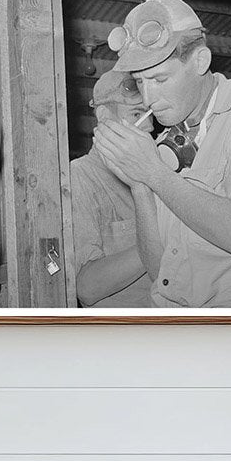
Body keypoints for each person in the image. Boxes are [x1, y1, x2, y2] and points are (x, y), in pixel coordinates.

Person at [93, 0, 231, 308]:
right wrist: (139, 183)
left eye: (160, 79)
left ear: (200, 61)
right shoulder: (168, 141)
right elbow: (161, 275)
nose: (148, 98)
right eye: (140, 82)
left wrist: (153, 172)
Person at [70, 70, 155, 307]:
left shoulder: (156, 173)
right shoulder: (80, 177)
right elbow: (86, 287)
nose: (149, 126)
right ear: (105, 116)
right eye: (137, 113)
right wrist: (159, 241)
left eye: (151, 114)